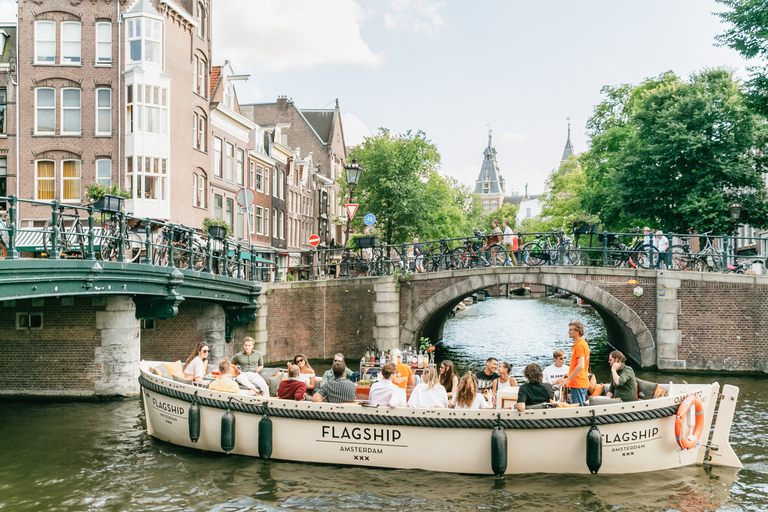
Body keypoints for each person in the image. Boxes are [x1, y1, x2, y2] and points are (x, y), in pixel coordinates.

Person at [553, 321, 591, 406]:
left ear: (577, 331)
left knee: (578, 409)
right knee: (579, 407)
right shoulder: (582, 344)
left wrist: (568, 379)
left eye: (570, 330)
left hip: (578, 383)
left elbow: (581, 365)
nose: (568, 332)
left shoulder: (579, 346)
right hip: (580, 382)